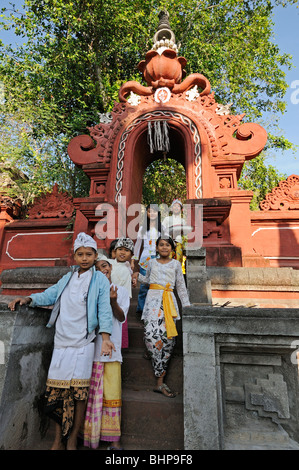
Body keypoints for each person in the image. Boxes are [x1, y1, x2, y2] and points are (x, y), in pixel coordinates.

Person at [8, 232, 115, 450]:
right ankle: (58, 439)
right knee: (57, 395)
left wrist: (105, 338)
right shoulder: (67, 278)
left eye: (89, 254)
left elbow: (104, 309)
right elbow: (50, 294)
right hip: (61, 343)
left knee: (79, 395)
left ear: (95, 255)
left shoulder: (100, 279)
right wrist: (29, 298)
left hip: (83, 345)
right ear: (74, 256)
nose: (84, 258)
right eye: (80, 254)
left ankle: (73, 437)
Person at [83, 258, 129, 450]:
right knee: (91, 395)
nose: (102, 270)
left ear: (110, 268)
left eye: (104, 266)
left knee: (112, 394)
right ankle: (89, 436)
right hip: (91, 348)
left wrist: (113, 301)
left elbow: (121, 317)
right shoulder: (90, 292)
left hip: (112, 349)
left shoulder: (121, 290)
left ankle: (114, 440)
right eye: (97, 268)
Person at [142, 236, 190, 398]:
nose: (164, 247)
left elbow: (181, 288)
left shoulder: (176, 265)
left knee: (168, 341)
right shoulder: (151, 263)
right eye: (161, 245)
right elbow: (147, 280)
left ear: (172, 248)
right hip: (152, 304)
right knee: (149, 337)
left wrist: (188, 307)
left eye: (167, 245)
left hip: (169, 304)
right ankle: (153, 355)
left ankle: (160, 382)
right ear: (156, 248)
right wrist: (132, 274)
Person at [132, 204, 167, 315]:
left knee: (157, 284)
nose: (152, 213)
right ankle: (141, 309)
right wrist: (133, 260)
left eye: (154, 211)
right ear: (146, 213)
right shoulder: (142, 228)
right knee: (144, 285)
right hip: (145, 259)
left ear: (158, 213)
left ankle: (156, 310)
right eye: (149, 211)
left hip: (158, 258)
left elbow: (166, 245)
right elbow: (137, 245)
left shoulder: (162, 228)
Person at [163, 199, 187, 266]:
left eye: (178, 206)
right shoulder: (167, 219)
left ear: (181, 209)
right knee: (168, 259)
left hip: (179, 241)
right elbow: (163, 230)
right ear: (171, 208)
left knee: (178, 260)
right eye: (174, 206)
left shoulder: (183, 221)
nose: (176, 208)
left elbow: (185, 233)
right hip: (168, 241)